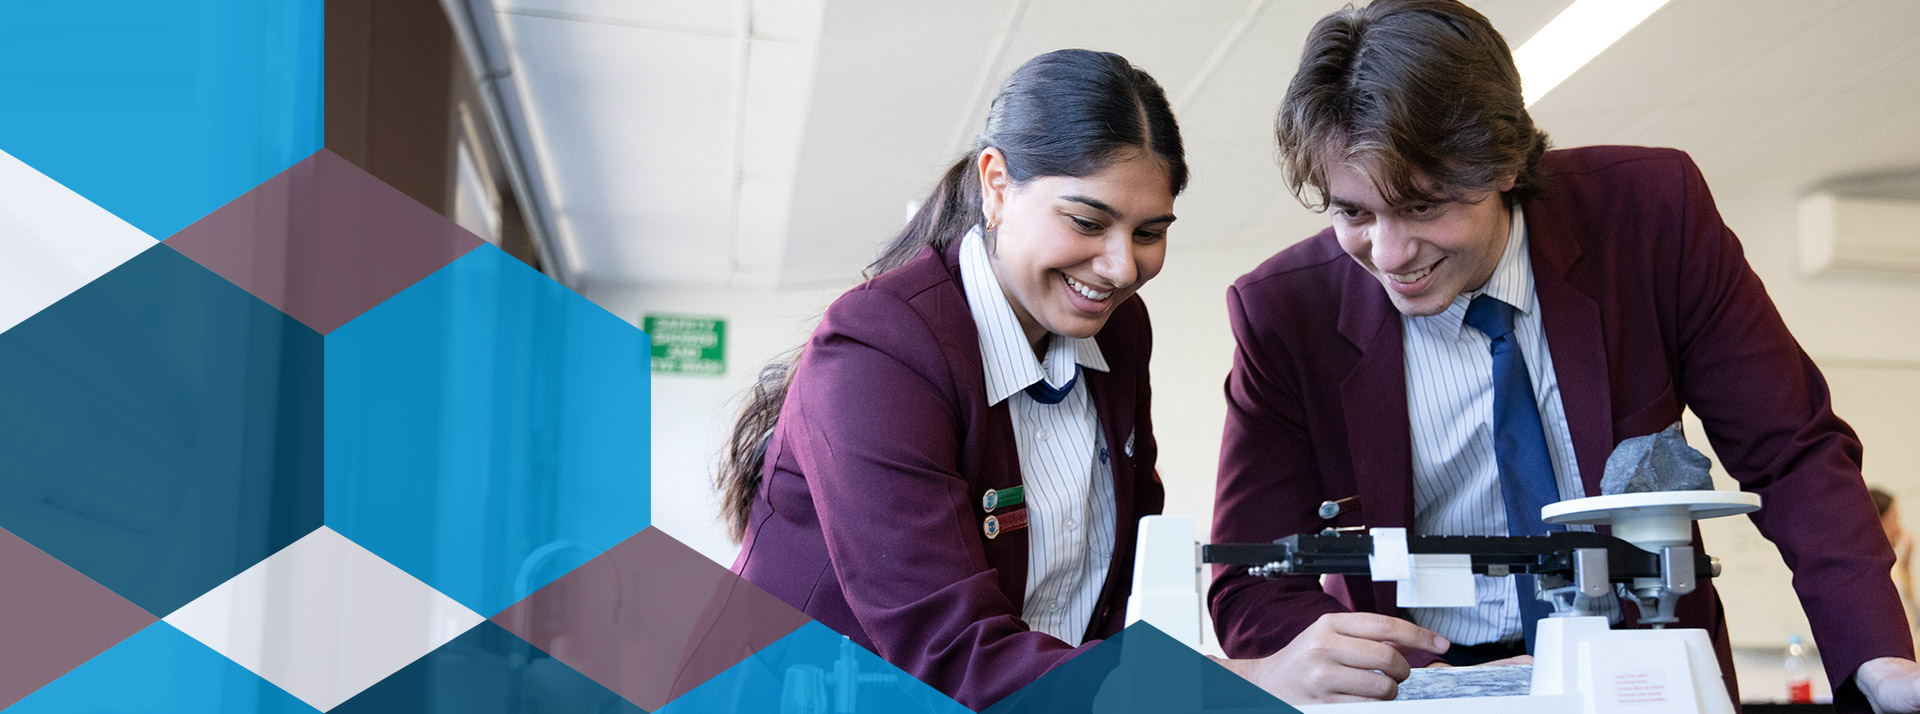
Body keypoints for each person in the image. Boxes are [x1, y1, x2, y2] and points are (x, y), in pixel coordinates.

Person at [1208, 1, 1920, 711]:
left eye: (1424, 206)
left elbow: (1792, 452)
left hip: (1641, 668)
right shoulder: (1284, 312)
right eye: (1354, 213)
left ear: (1504, 163)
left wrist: (1876, 658)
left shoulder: (1649, 216)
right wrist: (1372, 672)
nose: (1390, 255)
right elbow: (1250, 580)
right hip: (1417, 686)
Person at [720, 49, 1446, 710]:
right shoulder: (879, 352)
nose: (1122, 266)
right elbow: (950, 652)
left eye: (1150, 232)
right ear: (996, 184)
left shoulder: (1118, 334)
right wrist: (1242, 682)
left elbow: (1113, 600)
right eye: (1087, 221)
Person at [1872, 487, 1920, 647]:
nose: (1898, 528)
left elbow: (1913, 623)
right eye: (1894, 519)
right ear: (1877, 523)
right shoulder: (1875, 572)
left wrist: (1905, 568)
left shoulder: (1896, 567)